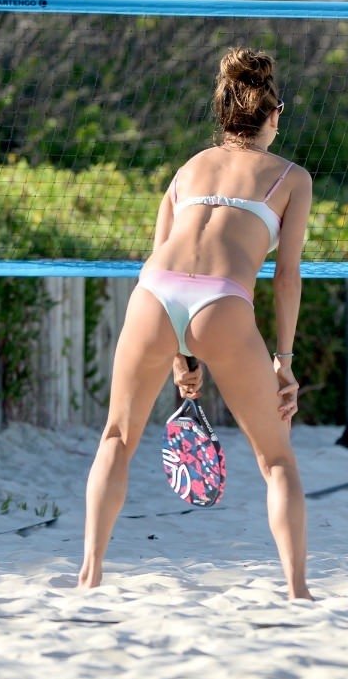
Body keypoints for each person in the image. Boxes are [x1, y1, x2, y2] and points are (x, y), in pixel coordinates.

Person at [79, 47, 314, 600]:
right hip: (224, 303)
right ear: (273, 114)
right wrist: (284, 360)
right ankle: (298, 591)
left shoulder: (187, 168)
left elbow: (164, 252)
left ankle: (89, 574)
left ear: (225, 111)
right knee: (276, 457)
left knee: (116, 436)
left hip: (154, 294)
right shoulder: (291, 177)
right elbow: (286, 278)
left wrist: (181, 358)